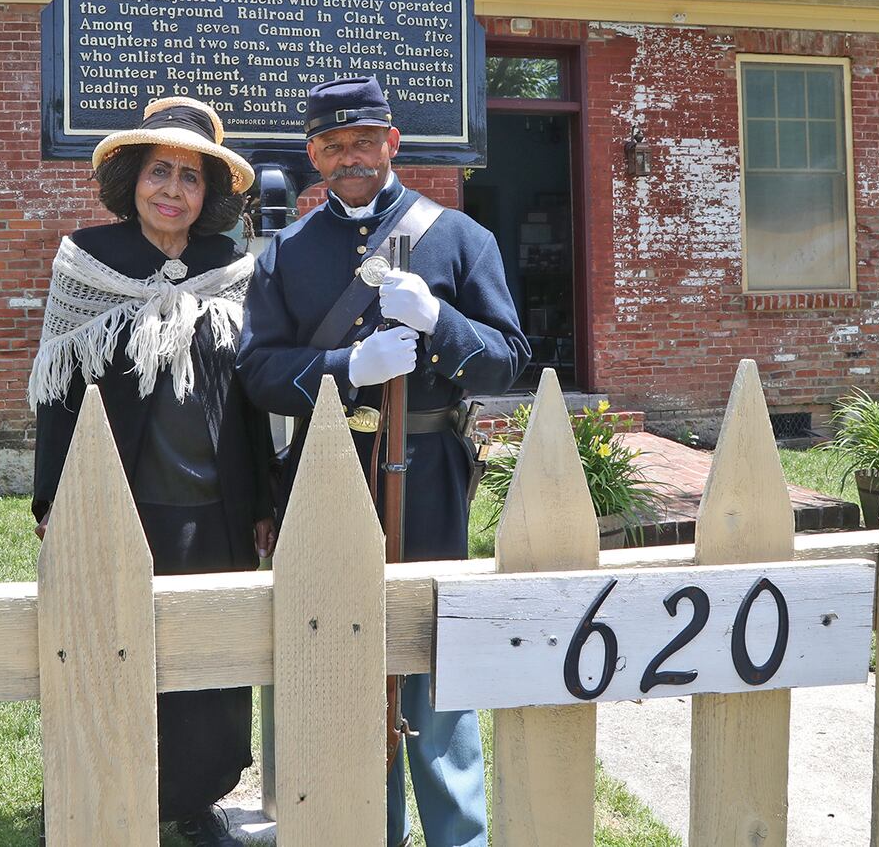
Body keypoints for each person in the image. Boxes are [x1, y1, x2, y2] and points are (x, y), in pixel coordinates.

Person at [236, 75, 530, 847]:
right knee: (339, 648)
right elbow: (259, 369)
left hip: (429, 469)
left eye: (362, 142)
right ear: (313, 157)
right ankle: (367, 829)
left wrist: (441, 320)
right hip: (328, 468)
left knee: (433, 655)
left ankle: (457, 835)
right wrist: (344, 366)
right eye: (331, 147)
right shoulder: (287, 253)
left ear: (391, 142)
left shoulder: (462, 239)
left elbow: (507, 364)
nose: (349, 157)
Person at [29, 96, 275, 847]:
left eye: (191, 178)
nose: (172, 189)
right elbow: (56, 388)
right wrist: (53, 497)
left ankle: (196, 802)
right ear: (133, 178)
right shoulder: (86, 260)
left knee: (209, 660)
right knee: (110, 648)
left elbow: (256, 397)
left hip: (217, 502)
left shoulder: (234, 269)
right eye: (159, 171)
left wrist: (265, 497)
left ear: (210, 195)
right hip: (121, 503)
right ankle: (105, 788)